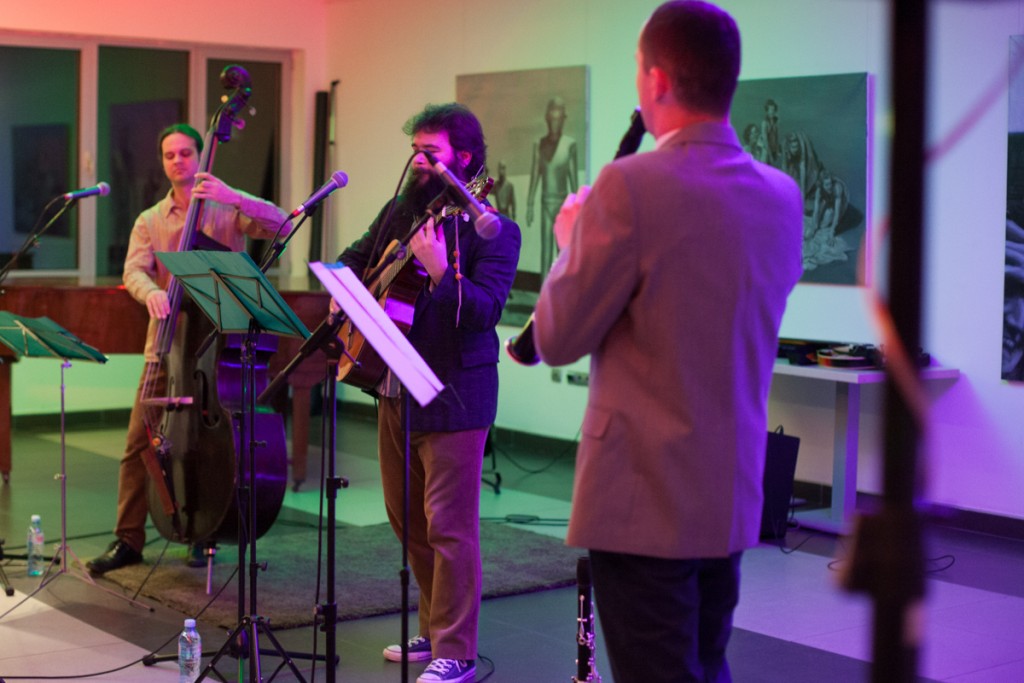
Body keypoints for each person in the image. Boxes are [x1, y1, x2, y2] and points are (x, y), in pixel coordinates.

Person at [532, 3, 803, 681]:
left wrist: (569, 244)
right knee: (705, 665)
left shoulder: (631, 184)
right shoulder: (781, 195)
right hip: (729, 491)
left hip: (640, 497)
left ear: (655, 80)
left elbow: (557, 339)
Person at [334, 103, 520, 683]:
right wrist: (343, 290)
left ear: (463, 157)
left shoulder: (495, 230)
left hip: (455, 395)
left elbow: (484, 312)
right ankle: (436, 628)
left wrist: (441, 270)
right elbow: (355, 257)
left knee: (449, 529)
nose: (418, 160)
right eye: (414, 149)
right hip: (393, 385)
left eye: (430, 152)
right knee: (408, 522)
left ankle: (457, 651)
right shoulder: (401, 211)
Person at [86, 123, 292, 575]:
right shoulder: (150, 219)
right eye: (169, 155)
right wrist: (149, 292)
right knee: (139, 442)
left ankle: (204, 532)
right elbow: (134, 270)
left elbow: (283, 224)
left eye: (185, 153)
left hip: (215, 349)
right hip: (165, 345)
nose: (177, 161)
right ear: (163, 162)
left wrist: (234, 196)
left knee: (210, 444)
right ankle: (128, 538)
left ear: (200, 156)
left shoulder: (226, 207)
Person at [525, 96, 578, 277]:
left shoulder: (570, 145)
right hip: (546, 203)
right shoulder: (538, 145)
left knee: (563, 252)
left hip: (563, 204)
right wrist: (530, 204)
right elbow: (535, 175)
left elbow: (574, 183)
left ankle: (563, 292)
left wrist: (577, 209)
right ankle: (543, 293)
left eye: (559, 118)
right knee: (546, 254)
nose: (555, 122)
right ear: (547, 118)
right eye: (552, 118)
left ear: (563, 119)